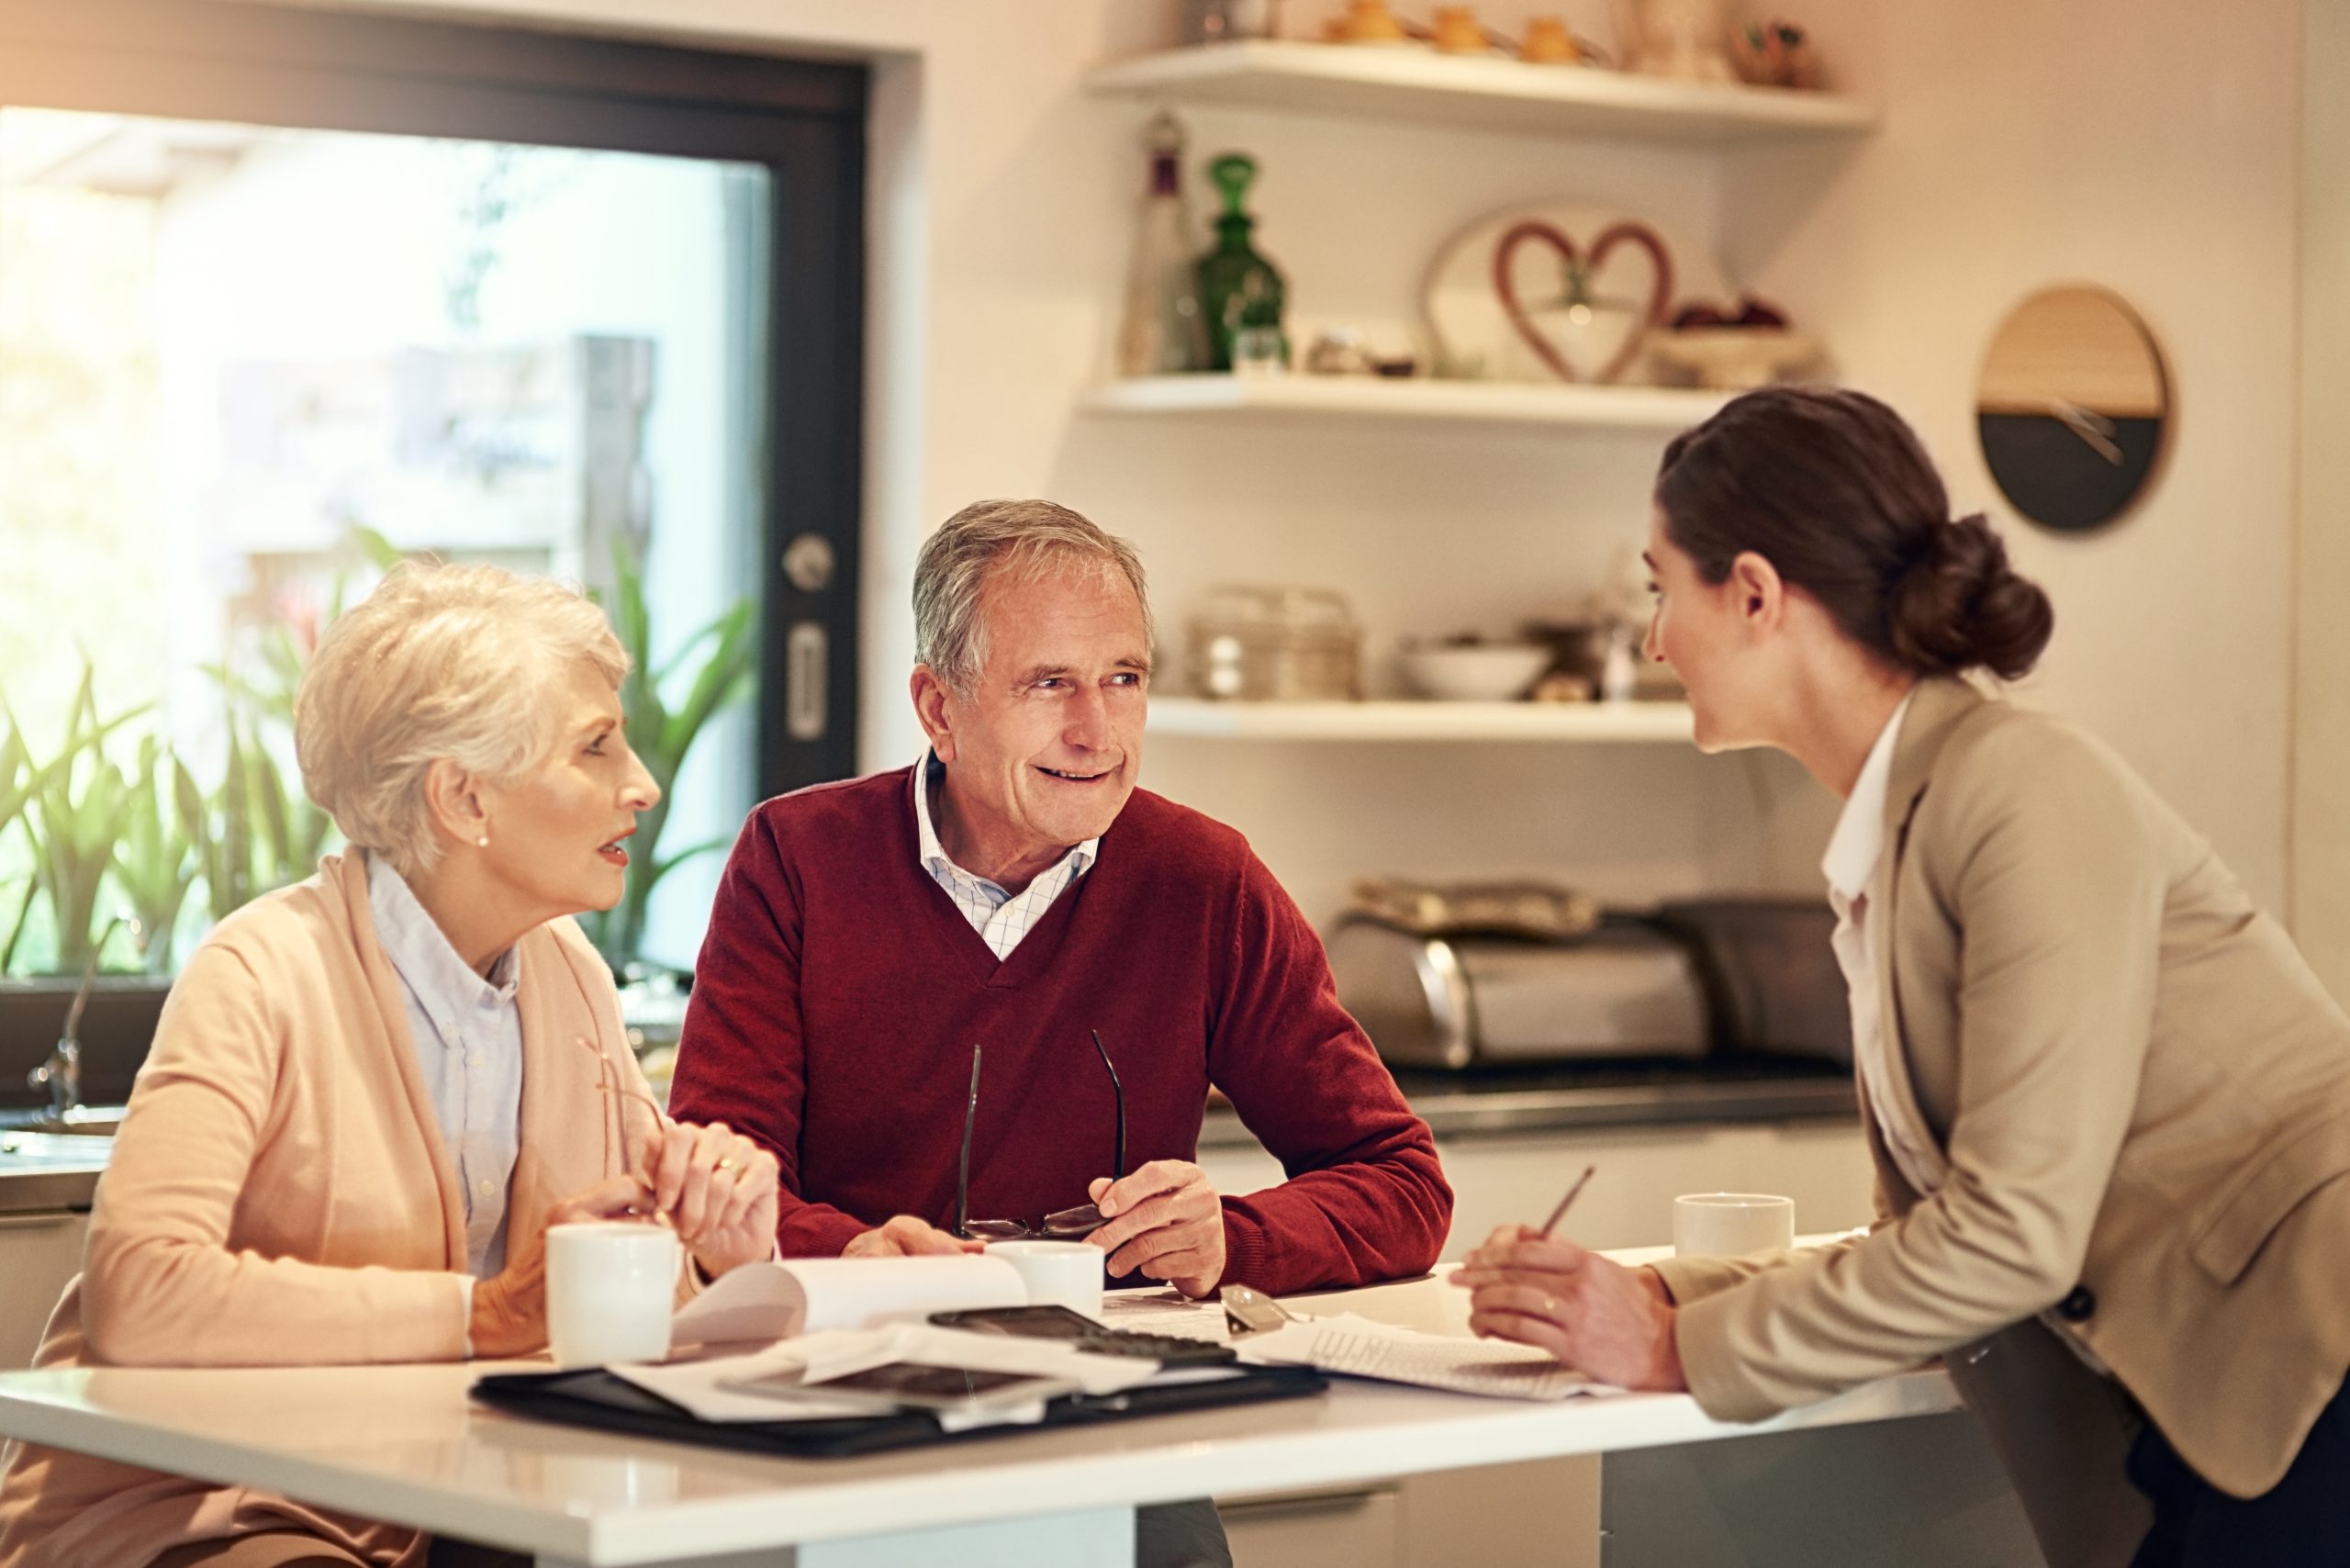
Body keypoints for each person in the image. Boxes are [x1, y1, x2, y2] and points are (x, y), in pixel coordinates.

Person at [1456, 386, 2350, 1568]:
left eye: (1660, 587)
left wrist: (1674, 1347)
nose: (1656, 637)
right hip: (2228, 1407)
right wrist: (1655, 1296)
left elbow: (2011, 1237)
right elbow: (1928, 1239)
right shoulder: (1901, 834)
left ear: (1759, 594)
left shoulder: (2017, 789)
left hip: (2308, 1370)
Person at [668, 498, 1453, 1568]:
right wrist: (852, 1252)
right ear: (937, 708)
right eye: (1049, 685)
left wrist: (1231, 1234)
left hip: (1113, 1430)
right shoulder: (796, 860)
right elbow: (714, 1187)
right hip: (842, 1419)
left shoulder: (1201, 879)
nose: (1097, 731)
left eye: (1123, 678)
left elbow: (1401, 1180)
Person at [0, 564, 782, 1568]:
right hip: (204, 1509)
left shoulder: (568, 974)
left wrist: (719, 1249)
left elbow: (603, 1300)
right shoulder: (260, 970)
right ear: (462, 797)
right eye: (595, 746)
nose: (643, 782)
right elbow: (143, 1290)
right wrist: (486, 1314)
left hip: (454, 1504)